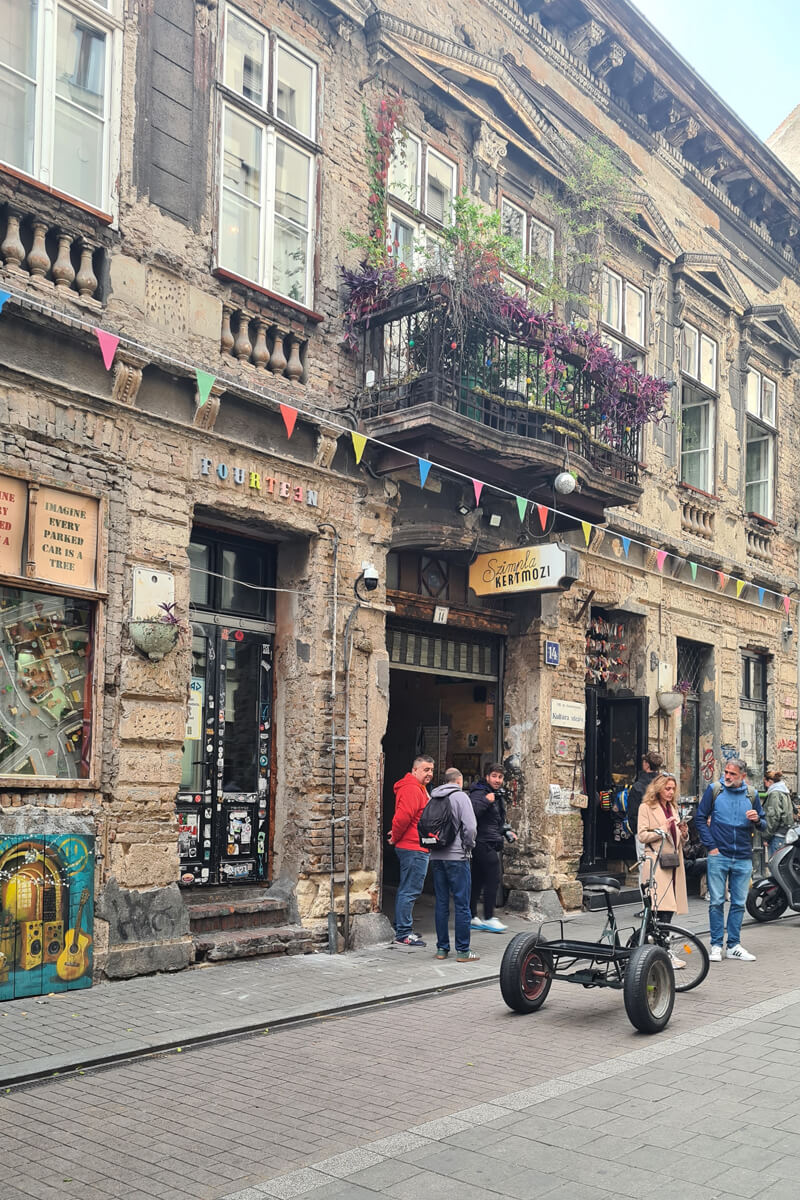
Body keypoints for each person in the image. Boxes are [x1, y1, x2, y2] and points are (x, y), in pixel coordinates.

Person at [696, 758, 766, 962]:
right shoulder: (715, 789)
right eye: (726, 772)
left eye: (732, 774)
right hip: (719, 855)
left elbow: (763, 825)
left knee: (738, 903)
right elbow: (700, 817)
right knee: (716, 901)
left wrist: (758, 820)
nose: (727, 776)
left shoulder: (751, 794)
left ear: (743, 776)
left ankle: (734, 945)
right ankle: (716, 945)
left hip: (743, 856)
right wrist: (711, 846)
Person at [637, 772, 689, 969]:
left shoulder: (673, 807)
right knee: (661, 909)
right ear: (658, 788)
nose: (670, 792)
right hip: (657, 863)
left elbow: (678, 840)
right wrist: (662, 827)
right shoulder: (646, 807)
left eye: (673, 789)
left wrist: (684, 833)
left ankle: (657, 949)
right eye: (667, 788)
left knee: (669, 909)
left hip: (674, 862)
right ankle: (662, 951)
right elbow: (642, 835)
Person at [428, 767, 479, 962]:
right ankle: (463, 951)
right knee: (462, 904)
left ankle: (442, 949)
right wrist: (469, 845)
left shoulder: (434, 796)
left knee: (441, 903)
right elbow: (471, 827)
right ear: (459, 781)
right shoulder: (461, 797)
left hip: (436, 856)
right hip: (457, 857)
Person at [389, 755, 433, 947]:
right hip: (413, 847)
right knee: (410, 890)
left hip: (414, 845)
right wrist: (395, 836)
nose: (430, 773)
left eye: (431, 770)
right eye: (426, 770)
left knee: (407, 888)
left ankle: (402, 926)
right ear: (414, 770)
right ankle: (403, 933)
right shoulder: (412, 789)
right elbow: (403, 817)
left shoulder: (418, 788)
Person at [469, 763, 517, 932]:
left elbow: (496, 820)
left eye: (500, 777)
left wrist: (506, 831)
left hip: (489, 840)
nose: (497, 780)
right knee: (493, 879)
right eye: (494, 776)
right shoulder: (479, 792)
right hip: (482, 842)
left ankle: (471, 916)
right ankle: (489, 917)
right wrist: (486, 801)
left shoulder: (496, 794)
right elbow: (471, 812)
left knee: (478, 880)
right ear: (487, 777)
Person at [627, 750, 664, 853]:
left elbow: (633, 813)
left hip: (644, 832)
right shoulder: (664, 785)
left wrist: (637, 830)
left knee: (645, 865)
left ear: (646, 765)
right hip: (662, 830)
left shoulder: (638, 787)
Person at [763, 767, 794, 857]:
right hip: (784, 833)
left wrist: (766, 836)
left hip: (776, 835)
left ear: (769, 781)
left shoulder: (774, 794)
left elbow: (773, 817)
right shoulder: (784, 792)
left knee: (775, 864)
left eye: (765, 782)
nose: (765, 785)